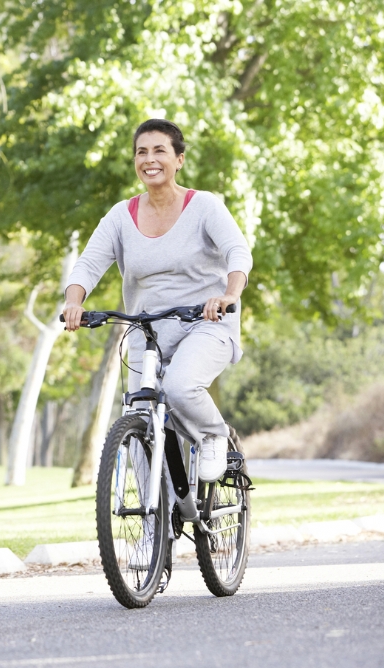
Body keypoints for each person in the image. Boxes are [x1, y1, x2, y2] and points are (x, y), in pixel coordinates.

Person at [62, 118, 252, 482]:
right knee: (140, 424)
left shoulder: (204, 206)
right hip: (146, 333)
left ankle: (214, 434)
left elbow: (237, 252)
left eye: (159, 150)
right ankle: (155, 530)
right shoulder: (121, 216)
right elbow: (87, 264)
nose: (149, 159)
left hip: (206, 322)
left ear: (179, 159)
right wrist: (74, 302)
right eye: (141, 152)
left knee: (180, 387)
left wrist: (230, 294)